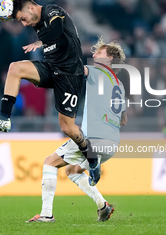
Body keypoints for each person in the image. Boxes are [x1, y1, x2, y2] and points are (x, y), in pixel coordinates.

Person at [0, 0, 97, 168]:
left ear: (31, 9)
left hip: (70, 74)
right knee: (14, 68)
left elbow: (56, 29)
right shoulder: (35, 21)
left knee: (67, 128)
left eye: (23, 19)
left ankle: (91, 156)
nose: (24, 24)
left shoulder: (52, 11)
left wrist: (40, 41)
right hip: (51, 68)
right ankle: (4, 117)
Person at [26, 38, 127, 223]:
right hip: (112, 144)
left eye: (99, 52)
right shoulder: (119, 84)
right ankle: (102, 205)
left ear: (110, 58)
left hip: (92, 139)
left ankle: (46, 214)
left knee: (49, 163)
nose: (94, 54)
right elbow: (124, 119)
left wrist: (54, 47)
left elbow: (76, 68)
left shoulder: (97, 71)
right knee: (72, 170)